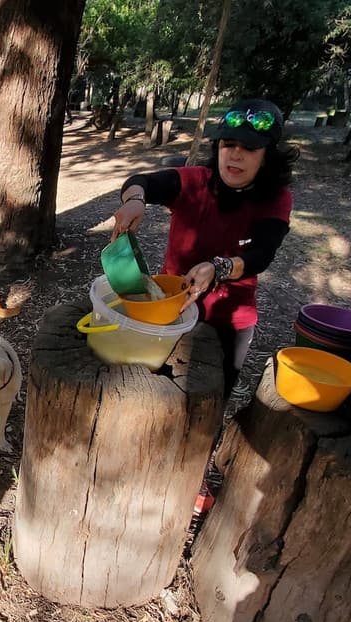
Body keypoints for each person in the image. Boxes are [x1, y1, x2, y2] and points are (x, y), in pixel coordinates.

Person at [109, 98, 298, 399]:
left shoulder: (275, 199)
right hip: (170, 307)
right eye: (228, 144)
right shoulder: (196, 182)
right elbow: (141, 181)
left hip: (228, 320)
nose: (235, 155)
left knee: (211, 399)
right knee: (155, 393)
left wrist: (218, 267)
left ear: (267, 157)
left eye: (249, 148)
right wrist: (134, 201)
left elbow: (260, 254)